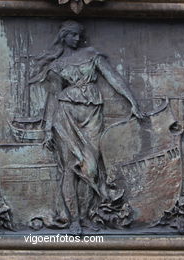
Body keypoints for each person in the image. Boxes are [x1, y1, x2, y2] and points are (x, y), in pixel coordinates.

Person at [29, 20, 144, 234]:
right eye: (73, 35)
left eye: (79, 35)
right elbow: (53, 98)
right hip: (65, 117)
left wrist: (132, 102)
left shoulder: (92, 55)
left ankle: (86, 216)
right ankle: (74, 220)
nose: (77, 39)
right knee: (69, 172)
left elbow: (113, 78)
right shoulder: (57, 66)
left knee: (91, 168)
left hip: (91, 115)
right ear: (64, 36)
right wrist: (47, 129)